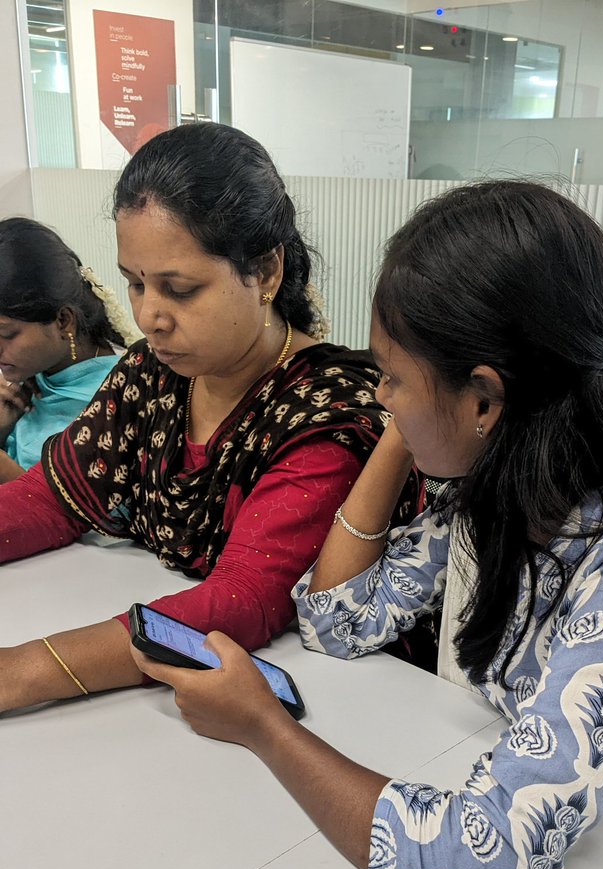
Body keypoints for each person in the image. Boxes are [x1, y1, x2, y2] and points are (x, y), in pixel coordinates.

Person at [132, 180, 603, 869]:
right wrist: (407, 426)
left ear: (486, 399)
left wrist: (263, 727)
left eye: (390, 375)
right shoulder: (503, 486)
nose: (377, 395)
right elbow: (337, 618)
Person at [0, 123, 416, 713]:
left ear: (265, 272)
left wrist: (23, 671)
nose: (148, 316)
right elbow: (53, 497)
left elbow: (243, 598)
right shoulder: (154, 373)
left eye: (179, 289)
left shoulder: (327, 415)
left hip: (319, 704)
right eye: (135, 284)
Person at [0, 217, 135, 483]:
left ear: (63, 321)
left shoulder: (122, 397)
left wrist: (7, 474)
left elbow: (103, 521)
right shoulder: (30, 382)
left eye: (6, 334)